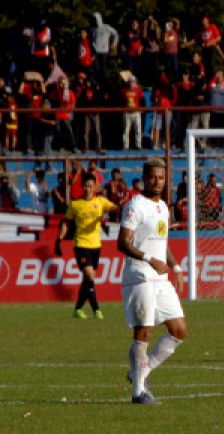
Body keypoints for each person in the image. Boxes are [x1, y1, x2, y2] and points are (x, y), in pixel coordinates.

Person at [118, 158, 187, 405]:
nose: (157, 182)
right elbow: (122, 242)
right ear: (144, 178)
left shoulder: (163, 208)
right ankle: (138, 392)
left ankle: (141, 372)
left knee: (179, 330)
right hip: (139, 275)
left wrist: (176, 266)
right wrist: (149, 258)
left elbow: (162, 243)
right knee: (143, 331)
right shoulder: (135, 205)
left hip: (160, 277)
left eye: (161, 177)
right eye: (152, 177)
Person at [57, 172, 118, 320]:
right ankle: (97, 309)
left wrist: (113, 211)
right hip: (81, 244)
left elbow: (115, 208)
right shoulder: (75, 204)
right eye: (85, 186)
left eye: (90, 186)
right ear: (82, 187)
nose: (88, 189)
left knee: (87, 280)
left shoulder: (101, 201)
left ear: (95, 187)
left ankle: (78, 309)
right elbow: (66, 222)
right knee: (90, 275)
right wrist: (59, 239)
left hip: (96, 245)